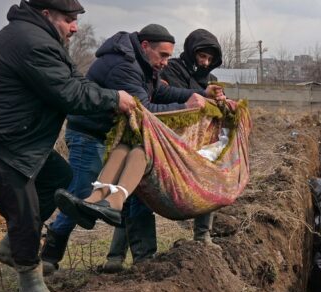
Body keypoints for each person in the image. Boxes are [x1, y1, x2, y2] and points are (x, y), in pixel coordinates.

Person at [0, 0, 135, 292]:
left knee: (59, 175)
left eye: (76, 19)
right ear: (46, 14)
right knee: (24, 202)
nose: (74, 26)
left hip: (14, 132)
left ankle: (11, 246)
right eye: (68, 19)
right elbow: (69, 94)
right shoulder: (33, 42)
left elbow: (74, 81)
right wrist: (114, 99)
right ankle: (30, 281)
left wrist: (109, 97)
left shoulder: (42, 39)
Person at [40, 24, 218, 274]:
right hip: (89, 134)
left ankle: (144, 258)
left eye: (169, 56)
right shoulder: (125, 66)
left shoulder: (145, 65)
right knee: (79, 193)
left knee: (136, 195)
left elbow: (162, 91)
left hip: (115, 136)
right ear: (145, 46)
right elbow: (143, 111)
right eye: (163, 55)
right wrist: (187, 107)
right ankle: (49, 255)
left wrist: (199, 93)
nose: (166, 62)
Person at [160, 29, 227, 246]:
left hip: (201, 140)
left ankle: (202, 237)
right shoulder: (171, 70)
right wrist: (203, 96)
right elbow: (168, 95)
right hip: (170, 140)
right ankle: (121, 253)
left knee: (209, 178)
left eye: (209, 58)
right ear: (191, 52)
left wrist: (221, 101)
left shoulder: (211, 80)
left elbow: (214, 108)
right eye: (202, 56)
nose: (206, 62)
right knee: (143, 194)